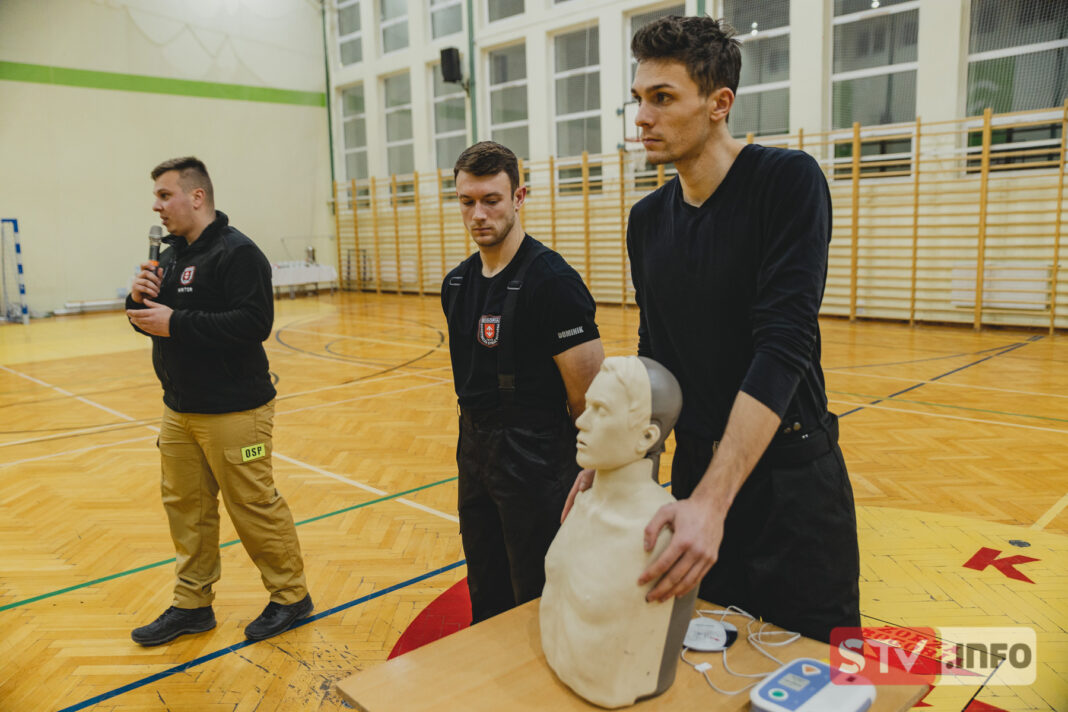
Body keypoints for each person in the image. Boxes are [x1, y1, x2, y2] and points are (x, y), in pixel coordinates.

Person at [566, 16, 860, 643]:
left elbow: (783, 346)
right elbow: (656, 357)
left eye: (663, 98)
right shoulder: (647, 221)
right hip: (697, 472)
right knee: (712, 670)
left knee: (823, 677)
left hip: (790, 484)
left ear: (719, 103)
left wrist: (712, 504)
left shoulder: (787, 182)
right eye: (638, 99)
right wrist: (626, 456)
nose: (641, 117)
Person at [126, 156, 312, 645]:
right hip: (179, 408)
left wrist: (176, 322)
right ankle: (192, 604)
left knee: (252, 503)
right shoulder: (167, 256)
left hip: (235, 411)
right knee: (186, 508)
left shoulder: (237, 253)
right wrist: (135, 304)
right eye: (157, 197)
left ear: (197, 196)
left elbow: (255, 325)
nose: (157, 206)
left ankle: (291, 595)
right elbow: (155, 320)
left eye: (165, 195)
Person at [442, 141, 604, 624]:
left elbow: (590, 398)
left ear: (519, 197)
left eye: (491, 199)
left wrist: (594, 471)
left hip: (536, 457)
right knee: (485, 580)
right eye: (467, 201)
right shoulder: (456, 284)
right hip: (474, 446)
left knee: (539, 592)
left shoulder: (552, 282)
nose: (478, 214)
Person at [541, 356, 693, 709]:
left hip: (614, 692)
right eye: (587, 406)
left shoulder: (659, 535)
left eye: (601, 410)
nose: (581, 420)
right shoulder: (582, 504)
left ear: (647, 436)